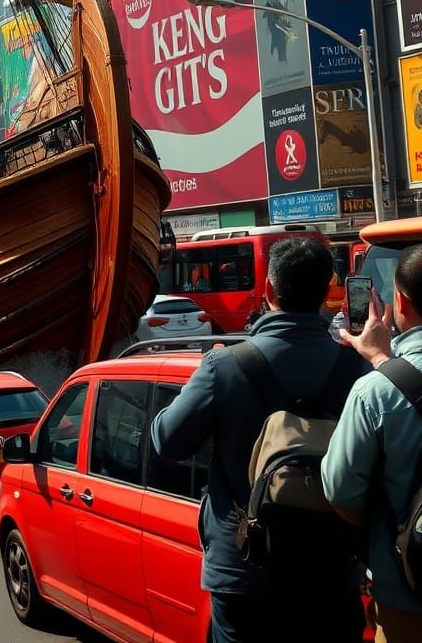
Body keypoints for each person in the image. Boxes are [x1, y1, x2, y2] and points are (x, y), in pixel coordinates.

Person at [151, 237, 369, 643]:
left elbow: (168, 441)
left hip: (245, 572)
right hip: (334, 569)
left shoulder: (224, 368)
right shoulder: (358, 369)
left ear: (268, 291)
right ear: (327, 292)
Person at [322, 244, 422, 642]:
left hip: (409, 598)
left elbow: (340, 491)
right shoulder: (379, 386)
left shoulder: (374, 393)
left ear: (400, 301)